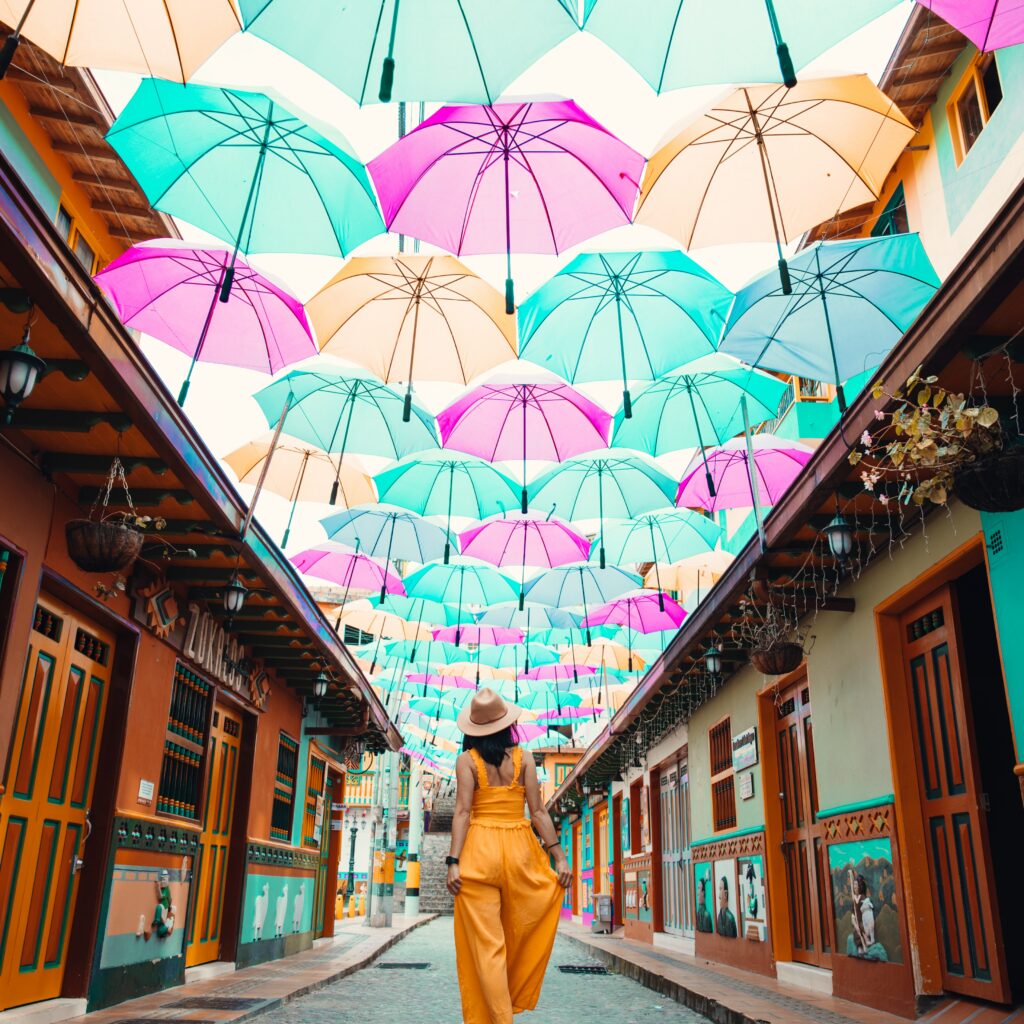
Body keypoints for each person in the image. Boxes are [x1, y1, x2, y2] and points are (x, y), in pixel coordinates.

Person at [447, 688, 572, 1024]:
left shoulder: (466, 761)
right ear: (506, 724)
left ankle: (500, 1017)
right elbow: (539, 813)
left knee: (488, 947)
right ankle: (510, 998)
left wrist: (453, 862)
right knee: (520, 931)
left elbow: (461, 813)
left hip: (479, 853)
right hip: (521, 851)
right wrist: (558, 857)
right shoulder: (525, 758)